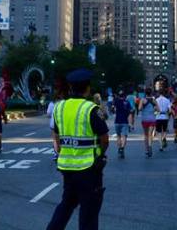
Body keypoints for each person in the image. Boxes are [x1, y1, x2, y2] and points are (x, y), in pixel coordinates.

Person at [46, 69, 109, 230]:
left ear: (71, 87)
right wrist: (99, 154)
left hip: (67, 167)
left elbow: (57, 136)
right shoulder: (90, 108)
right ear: (87, 88)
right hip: (88, 168)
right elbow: (104, 138)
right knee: (89, 211)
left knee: (66, 204)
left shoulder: (59, 108)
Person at [138, 87, 158, 157]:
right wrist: (154, 109)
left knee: (146, 135)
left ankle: (146, 149)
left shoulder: (142, 100)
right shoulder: (154, 100)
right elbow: (159, 109)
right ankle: (150, 146)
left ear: (145, 93)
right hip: (152, 119)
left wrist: (143, 107)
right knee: (150, 134)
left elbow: (139, 108)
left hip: (145, 119)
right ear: (151, 93)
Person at [112, 90, 131, 158]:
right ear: (124, 95)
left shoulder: (116, 101)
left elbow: (113, 110)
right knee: (124, 136)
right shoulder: (127, 102)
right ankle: (122, 148)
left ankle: (119, 148)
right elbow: (129, 113)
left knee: (118, 136)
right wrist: (130, 123)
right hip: (125, 121)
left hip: (117, 121)